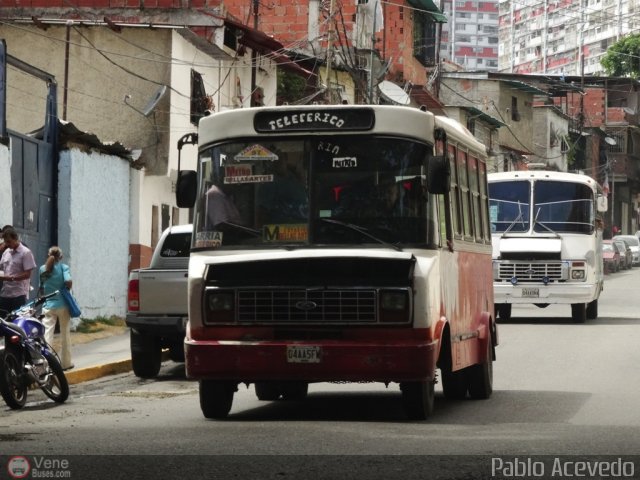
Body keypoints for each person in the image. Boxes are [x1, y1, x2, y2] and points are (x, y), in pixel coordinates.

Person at [39, 246, 74, 371]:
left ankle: (47, 364)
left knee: (47, 334)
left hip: (48, 305)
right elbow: (68, 281)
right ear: (61, 257)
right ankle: (66, 363)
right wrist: (67, 286)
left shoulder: (42, 269)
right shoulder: (64, 267)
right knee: (65, 334)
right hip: (63, 305)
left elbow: (41, 287)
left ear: (48, 255)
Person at [0, 227, 36, 315]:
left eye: (9, 241)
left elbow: (27, 274)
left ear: (15, 238)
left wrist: (11, 278)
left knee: (16, 321)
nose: (7, 244)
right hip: (5, 293)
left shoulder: (26, 253)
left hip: (18, 294)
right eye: (5, 241)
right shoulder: (6, 252)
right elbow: (1, 268)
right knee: (3, 322)